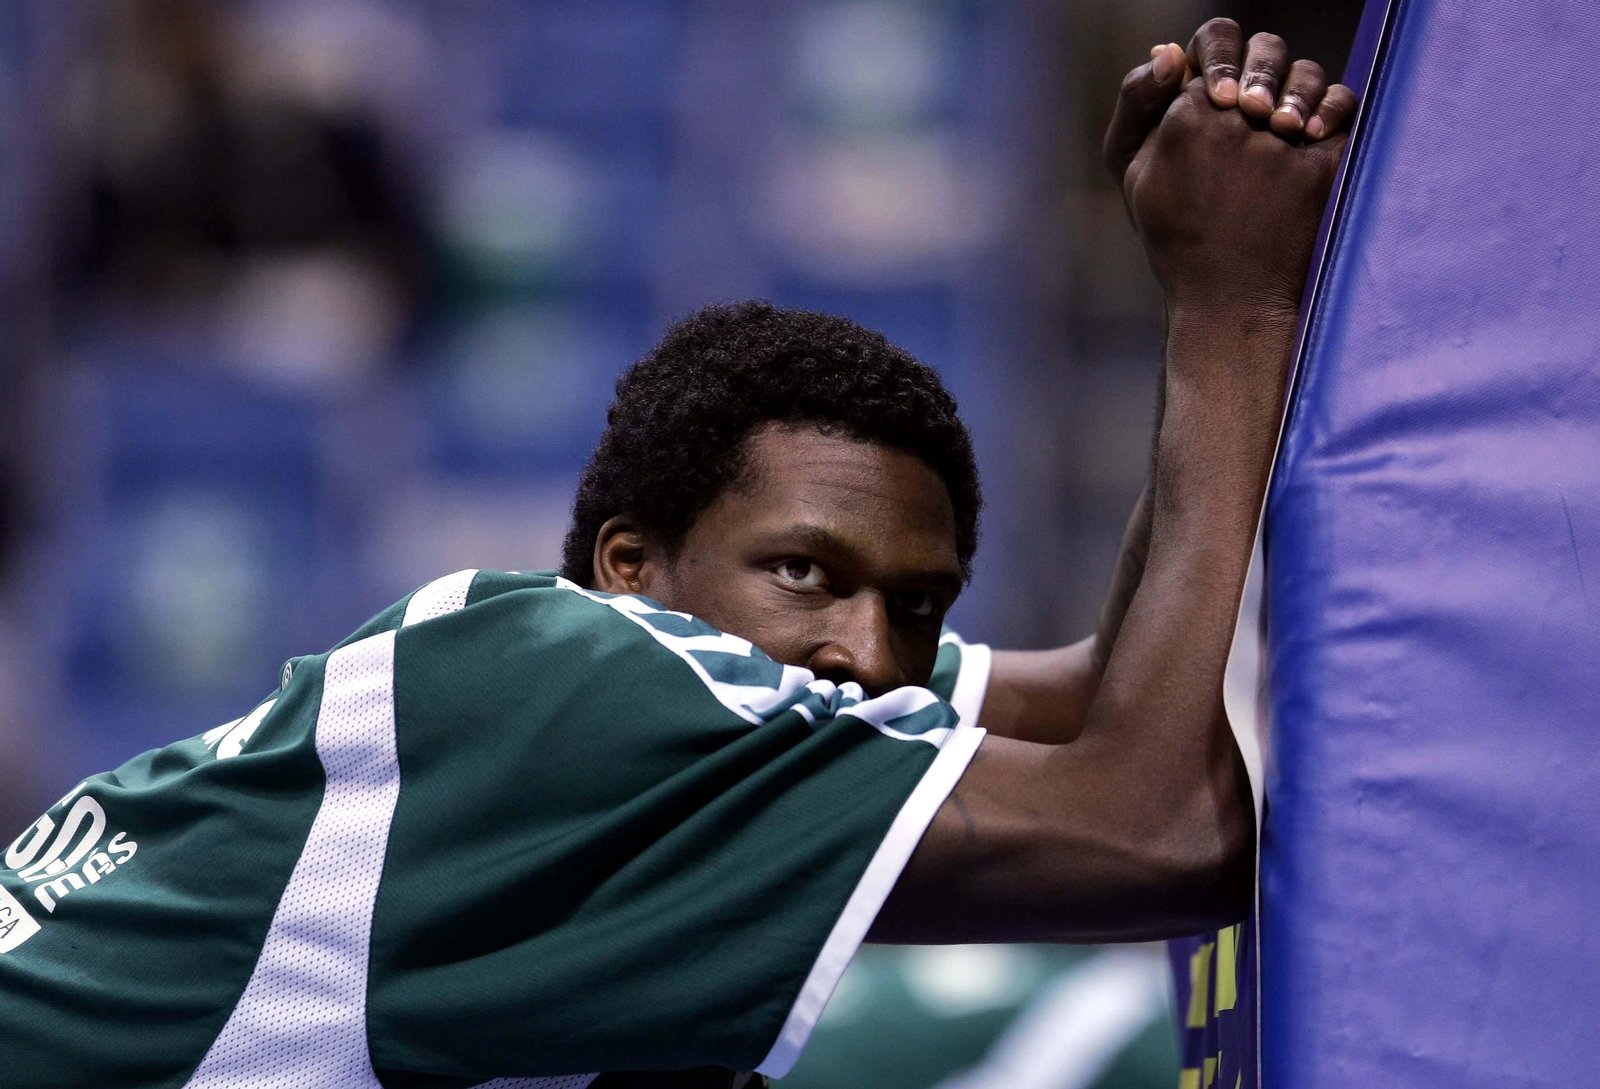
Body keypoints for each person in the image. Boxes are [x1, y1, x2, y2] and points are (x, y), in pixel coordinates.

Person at [0, 20, 1354, 1089]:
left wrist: (1201, 296)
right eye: (808, 574)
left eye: (922, 604)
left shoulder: (634, 726)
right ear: (630, 568)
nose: (869, 654)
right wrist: (1237, 298)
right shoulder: (578, 681)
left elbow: (1117, 695)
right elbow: (1161, 827)